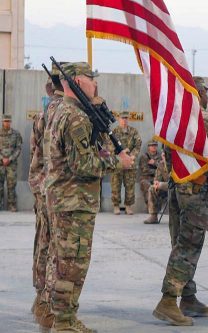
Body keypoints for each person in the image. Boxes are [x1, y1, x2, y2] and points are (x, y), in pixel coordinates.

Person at [43, 62, 134, 332]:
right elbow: (82, 165)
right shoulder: (76, 118)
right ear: (79, 83)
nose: (96, 84)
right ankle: (64, 323)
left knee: (59, 260)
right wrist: (120, 163)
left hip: (63, 199)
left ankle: (61, 318)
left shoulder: (59, 109)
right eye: (91, 79)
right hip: (74, 201)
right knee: (72, 264)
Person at [152, 76, 208, 326]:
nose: (207, 96)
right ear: (199, 95)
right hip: (197, 192)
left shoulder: (174, 122)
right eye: (204, 92)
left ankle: (188, 297)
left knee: (179, 241)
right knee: (189, 244)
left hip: (176, 188)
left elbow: (166, 154)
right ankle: (168, 300)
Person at [29, 65, 64, 323]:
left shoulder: (44, 113)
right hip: (50, 188)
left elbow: (36, 152)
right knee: (49, 244)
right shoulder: (57, 112)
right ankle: (43, 299)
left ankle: (39, 296)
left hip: (41, 186)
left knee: (42, 241)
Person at [111, 111, 142, 215]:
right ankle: (116, 206)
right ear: (119, 119)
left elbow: (138, 145)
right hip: (118, 162)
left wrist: (132, 156)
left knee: (130, 185)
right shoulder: (114, 131)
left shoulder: (133, 131)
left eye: (126, 118)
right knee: (116, 184)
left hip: (130, 161)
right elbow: (109, 145)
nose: (124, 120)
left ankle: (128, 206)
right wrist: (119, 153)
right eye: (122, 118)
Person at [0, 114, 22, 211]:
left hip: (11, 164)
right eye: (5, 121)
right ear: (2, 122)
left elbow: (18, 148)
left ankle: (11, 205)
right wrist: (2, 158)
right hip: (0, 163)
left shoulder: (16, 134)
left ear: (10, 122)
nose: (7, 123)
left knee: (11, 185)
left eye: (8, 121)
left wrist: (10, 158)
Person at [143, 154, 168, 224]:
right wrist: (157, 183)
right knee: (152, 188)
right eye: (163, 155)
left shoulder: (177, 163)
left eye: (165, 155)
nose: (164, 156)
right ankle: (153, 216)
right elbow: (157, 179)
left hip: (177, 188)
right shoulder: (161, 164)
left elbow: (177, 184)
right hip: (166, 189)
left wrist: (162, 185)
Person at [138, 140, 163, 205]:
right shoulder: (144, 157)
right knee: (148, 186)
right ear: (148, 147)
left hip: (157, 178)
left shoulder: (160, 157)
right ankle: (150, 206)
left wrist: (154, 163)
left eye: (155, 145)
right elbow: (145, 170)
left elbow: (163, 169)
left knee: (162, 187)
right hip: (146, 178)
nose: (154, 147)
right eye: (152, 145)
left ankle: (158, 206)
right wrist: (157, 171)